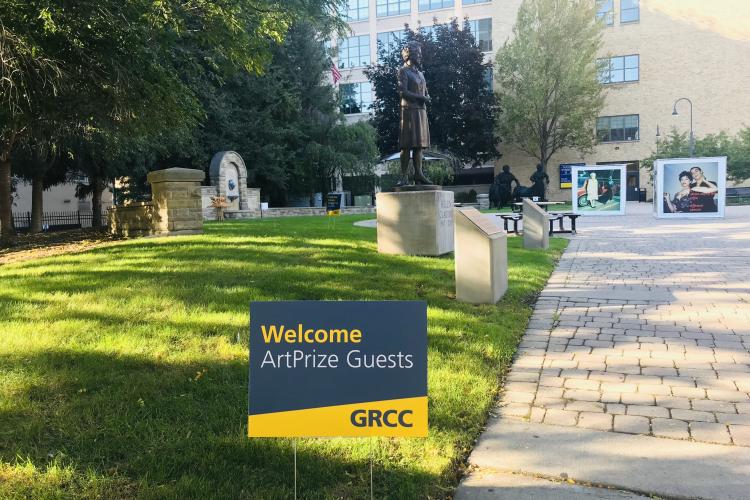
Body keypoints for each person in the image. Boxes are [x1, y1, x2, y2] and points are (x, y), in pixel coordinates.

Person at [397, 42, 432, 186]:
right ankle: (404, 176)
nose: (420, 56)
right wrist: (421, 98)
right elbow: (402, 92)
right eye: (418, 53)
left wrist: (427, 96)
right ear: (409, 55)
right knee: (406, 145)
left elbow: (425, 90)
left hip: (421, 111)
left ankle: (419, 174)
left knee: (419, 145)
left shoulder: (420, 74)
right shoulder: (403, 71)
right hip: (409, 111)